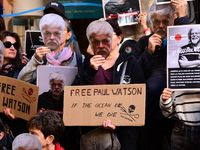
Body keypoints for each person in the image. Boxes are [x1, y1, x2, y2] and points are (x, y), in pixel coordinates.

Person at [73, 19, 145, 150]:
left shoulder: (131, 64)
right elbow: (75, 98)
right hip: (93, 133)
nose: (100, 45)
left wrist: (119, 121)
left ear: (116, 39)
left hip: (124, 134)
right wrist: (90, 71)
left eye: (105, 41)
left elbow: (140, 101)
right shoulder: (86, 65)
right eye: (95, 42)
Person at [133, 0, 190, 150]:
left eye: (165, 21)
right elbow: (133, 76)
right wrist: (149, 53)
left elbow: (191, 46)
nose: (161, 26)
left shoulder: (181, 38)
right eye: (156, 21)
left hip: (179, 114)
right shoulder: (143, 42)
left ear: (173, 19)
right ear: (150, 22)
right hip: (151, 113)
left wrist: (183, 18)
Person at [18, 13, 84, 84]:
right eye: (47, 33)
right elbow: (21, 82)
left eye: (57, 33)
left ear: (69, 35)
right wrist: (35, 60)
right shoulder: (40, 57)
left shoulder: (78, 59)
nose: (52, 37)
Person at [0, 31, 29, 137]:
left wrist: (18, 114)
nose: (12, 48)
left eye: (15, 45)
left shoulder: (23, 70)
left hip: (18, 129)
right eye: (8, 45)